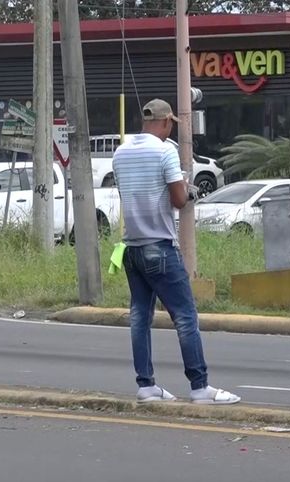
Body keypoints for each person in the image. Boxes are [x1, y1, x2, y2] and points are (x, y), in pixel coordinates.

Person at [112, 99, 240, 405]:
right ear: (166, 122)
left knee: (139, 317)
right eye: (170, 124)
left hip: (131, 247)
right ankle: (200, 387)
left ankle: (146, 386)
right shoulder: (165, 151)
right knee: (185, 317)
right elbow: (180, 199)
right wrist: (186, 186)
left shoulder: (120, 152)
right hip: (160, 246)